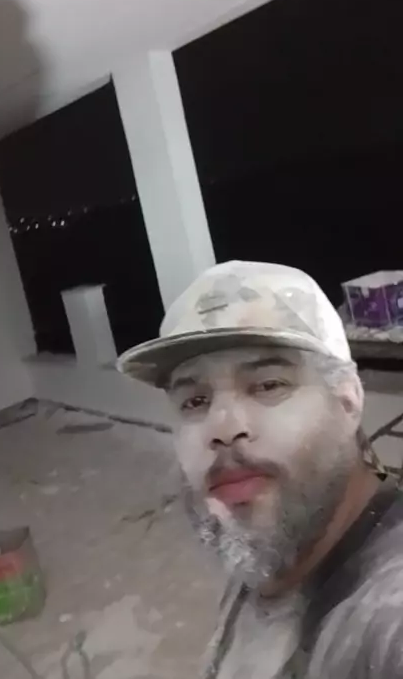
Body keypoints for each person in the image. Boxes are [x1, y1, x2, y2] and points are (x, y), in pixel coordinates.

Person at [118, 261, 403, 679]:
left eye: (269, 384)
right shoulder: (279, 541)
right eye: (194, 401)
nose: (223, 428)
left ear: (347, 401)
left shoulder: (387, 616)